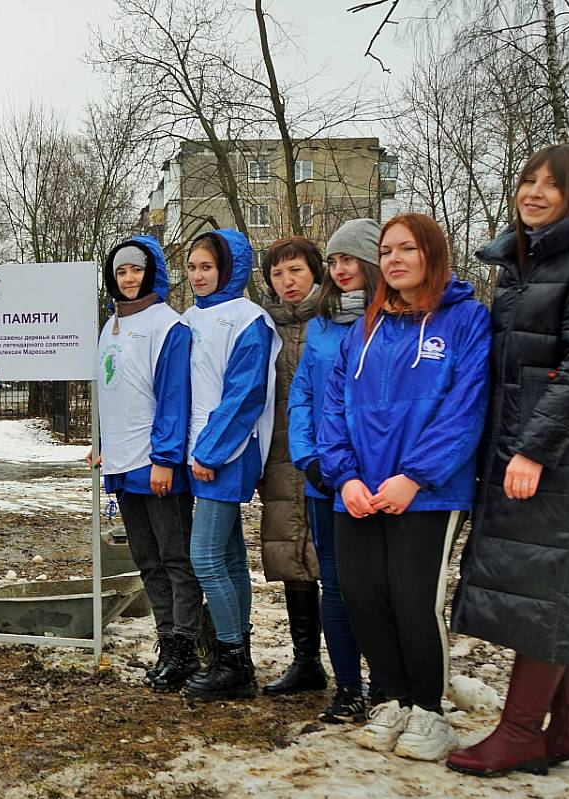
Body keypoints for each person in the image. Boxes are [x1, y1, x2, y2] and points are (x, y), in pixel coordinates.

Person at [319, 213, 490, 762]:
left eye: (406, 249)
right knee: (364, 594)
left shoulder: (466, 320)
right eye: (387, 251)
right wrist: (344, 476)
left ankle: (429, 710)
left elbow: (464, 411)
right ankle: (392, 697)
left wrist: (414, 476)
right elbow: (334, 407)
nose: (394, 260)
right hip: (360, 492)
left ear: (431, 255)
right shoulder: (365, 327)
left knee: (413, 599)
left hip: (428, 491)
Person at [448, 144, 569, 777]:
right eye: (528, 179)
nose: (534, 192)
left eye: (551, 185)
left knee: (543, 594)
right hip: (518, 445)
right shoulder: (521, 263)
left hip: (556, 458)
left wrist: (532, 449)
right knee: (563, 589)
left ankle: (522, 731)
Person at [90, 236, 201, 692]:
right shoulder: (109, 325)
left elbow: (174, 398)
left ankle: (187, 649)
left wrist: (165, 458)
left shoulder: (168, 326)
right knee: (147, 560)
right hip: (120, 462)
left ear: (150, 272)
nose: (129, 279)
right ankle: (166, 639)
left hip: (155, 464)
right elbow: (107, 392)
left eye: (135, 270)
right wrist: (98, 442)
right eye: (120, 272)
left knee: (176, 558)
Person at [180, 229, 280, 701]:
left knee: (204, 558)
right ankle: (238, 655)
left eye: (207, 267)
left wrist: (209, 452)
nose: (198, 276)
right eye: (192, 267)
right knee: (230, 556)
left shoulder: (248, 320)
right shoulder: (189, 318)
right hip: (198, 451)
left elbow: (244, 396)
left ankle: (231, 658)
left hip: (226, 453)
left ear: (228, 268)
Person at [288, 219, 381, 723]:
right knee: (336, 582)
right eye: (335, 260)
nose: (341, 269)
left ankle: (388, 685)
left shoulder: (393, 318)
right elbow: (302, 396)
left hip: (379, 481)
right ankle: (348, 688)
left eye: (350, 259)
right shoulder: (320, 325)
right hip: (326, 480)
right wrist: (310, 458)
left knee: (379, 586)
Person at [258, 236, 326, 697]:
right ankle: (306, 662)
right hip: (279, 458)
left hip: (329, 459)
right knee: (290, 557)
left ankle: (364, 666)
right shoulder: (266, 329)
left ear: (315, 273)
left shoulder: (336, 319)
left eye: (296, 271)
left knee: (338, 565)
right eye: (278, 274)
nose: (287, 281)